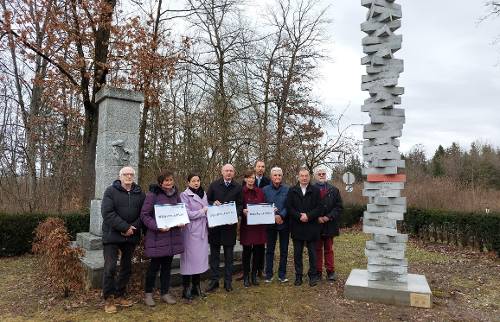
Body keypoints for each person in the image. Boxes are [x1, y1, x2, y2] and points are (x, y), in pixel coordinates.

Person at [101, 166, 145, 314]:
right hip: (112, 235)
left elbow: (144, 214)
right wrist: (124, 227)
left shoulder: (140, 193)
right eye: (125, 174)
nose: (129, 177)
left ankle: (120, 295)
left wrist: (133, 228)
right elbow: (107, 213)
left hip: (131, 234)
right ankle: (108, 298)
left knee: (127, 267)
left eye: (131, 174)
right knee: (110, 267)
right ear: (120, 177)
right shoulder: (110, 191)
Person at [140, 170, 184, 307]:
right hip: (158, 237)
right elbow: (144, 215)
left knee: (167, 267)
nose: (169, 183)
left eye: (171, 180)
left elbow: (181, 212)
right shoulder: (152, 195)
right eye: (166, 181)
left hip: (172, 238)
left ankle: (165, 293)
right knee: (153, 267)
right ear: (160, 183)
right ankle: (148, 294)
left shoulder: (176, 195)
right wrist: (157, 226)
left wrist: (182, 221)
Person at [206, 164, 243, 292]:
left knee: (229, 257)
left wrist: (234, 214)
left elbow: (240, 205)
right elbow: (207, 201)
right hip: (215, 227)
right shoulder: (214, 185)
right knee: (215, 256)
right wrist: (212, 203)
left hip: (229, 227)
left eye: (231, 171)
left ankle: (228, 282)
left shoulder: (238, 187)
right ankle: (214, 281)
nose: (228, 173)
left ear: (234, 173)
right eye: (226, 171)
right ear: (222, 172)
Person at [286, 167, 322, 287]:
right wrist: (298, 216)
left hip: (312, 226)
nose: (304, 178)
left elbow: (319, 208)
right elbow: (289, 207)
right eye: (302, 175)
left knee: (312, 253)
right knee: (297, 253)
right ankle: (298, 276)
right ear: (298, 177)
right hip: (297, 226)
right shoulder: (292, 190)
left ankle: (313, 276)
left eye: (306, 175)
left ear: (309, 176)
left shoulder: (316, 190)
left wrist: (308, 216)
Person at [179, 174, 209, 300]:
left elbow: (208, 209)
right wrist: (203, 212)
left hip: (202, 230)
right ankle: (186, 288)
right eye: (193, 181)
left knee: (199, 260)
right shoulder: (184, 195)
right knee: (188, 261)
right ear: (188, 182)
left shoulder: (204, 193)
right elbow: (187, 214)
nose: (196, 183)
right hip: (190, 232)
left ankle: (196, 286)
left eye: (198, 180)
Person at [313, 168, 343, 281]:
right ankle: (317, 272)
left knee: (329, 249)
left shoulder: (334, 190)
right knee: (317, 249)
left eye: (323, 174)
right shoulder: (311, 189)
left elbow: (339, 207)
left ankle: (330, 271)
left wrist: (327, 217)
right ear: (315, 176)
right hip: (316, 224)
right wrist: (316, 217)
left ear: (326, 175)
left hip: (329, 224)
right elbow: (308, 206)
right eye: (319, 174)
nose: (321, 175)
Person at [262, 167, 290, 283]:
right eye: (275, 175)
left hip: (284, 223)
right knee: (270, 250)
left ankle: (282, 275)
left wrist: (281, 215)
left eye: (279, 175)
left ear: (282, 176)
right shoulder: (265, 190)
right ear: (271, 176)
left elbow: (289, 205)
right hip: (270, 223)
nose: (277, 177)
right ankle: (268, 274)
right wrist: (273, 216)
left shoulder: (288, 189)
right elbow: (262, 205)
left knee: (284, 250)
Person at [240, 169, 267, 287]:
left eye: (253, 177)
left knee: (258, 251)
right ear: (245, 179)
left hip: (259, 226)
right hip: (247, 226)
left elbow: (264, 205)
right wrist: (242, 211)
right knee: (246, 252)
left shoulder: (260, 192)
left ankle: (254, 275)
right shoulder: (240, 192)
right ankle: (246, 276)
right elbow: (238, 205)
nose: (251, 180)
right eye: (248, 177)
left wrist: (270, 210)